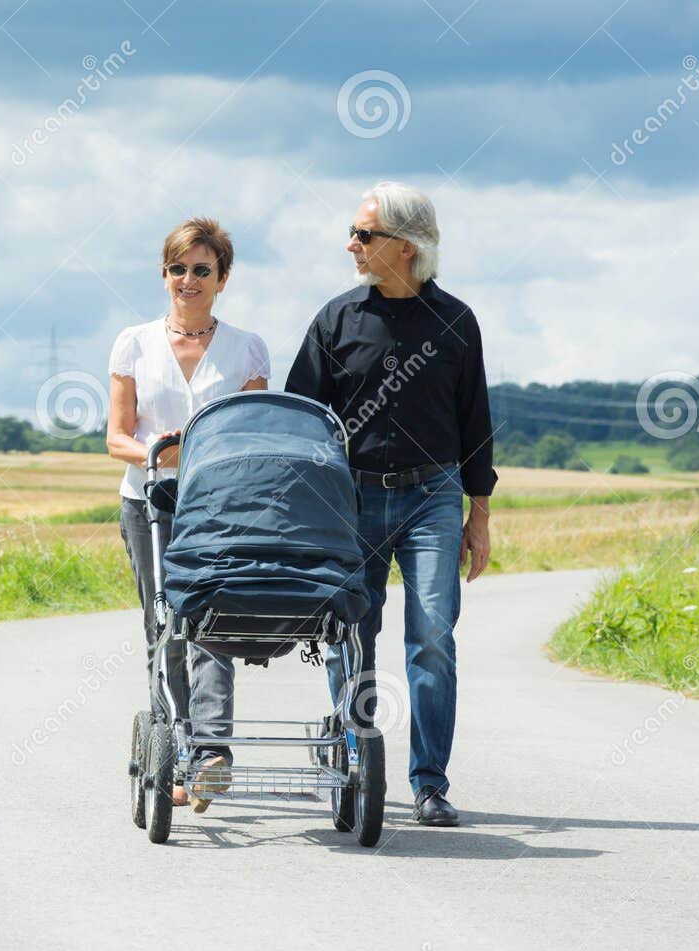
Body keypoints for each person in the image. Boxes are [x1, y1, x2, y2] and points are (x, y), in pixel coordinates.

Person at [284, 180, 496, 827]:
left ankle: (429, 782)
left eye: (363, 234)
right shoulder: (335, 321)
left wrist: (478, 516)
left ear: (405, 247)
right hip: (352, 497)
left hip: (433, 495)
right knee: (352, 633)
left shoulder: (457, 322)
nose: (350, 244)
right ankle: (355, 756)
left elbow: (476, 424)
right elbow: (300, 417)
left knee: (432, 634)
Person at [108, 217, 270, 810]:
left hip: (220, 503)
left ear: (222, 277)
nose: (188, 279)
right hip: (149, 498)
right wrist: (164, 452)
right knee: (164, 625)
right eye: (178, 268)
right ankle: (172, 749)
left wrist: (200, 451)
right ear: (164, 274)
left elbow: (251, 434)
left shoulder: (247, 348)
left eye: (202, 269)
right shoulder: (133, 342)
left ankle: (211, 752)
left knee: (213, 620)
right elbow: (117, 437)